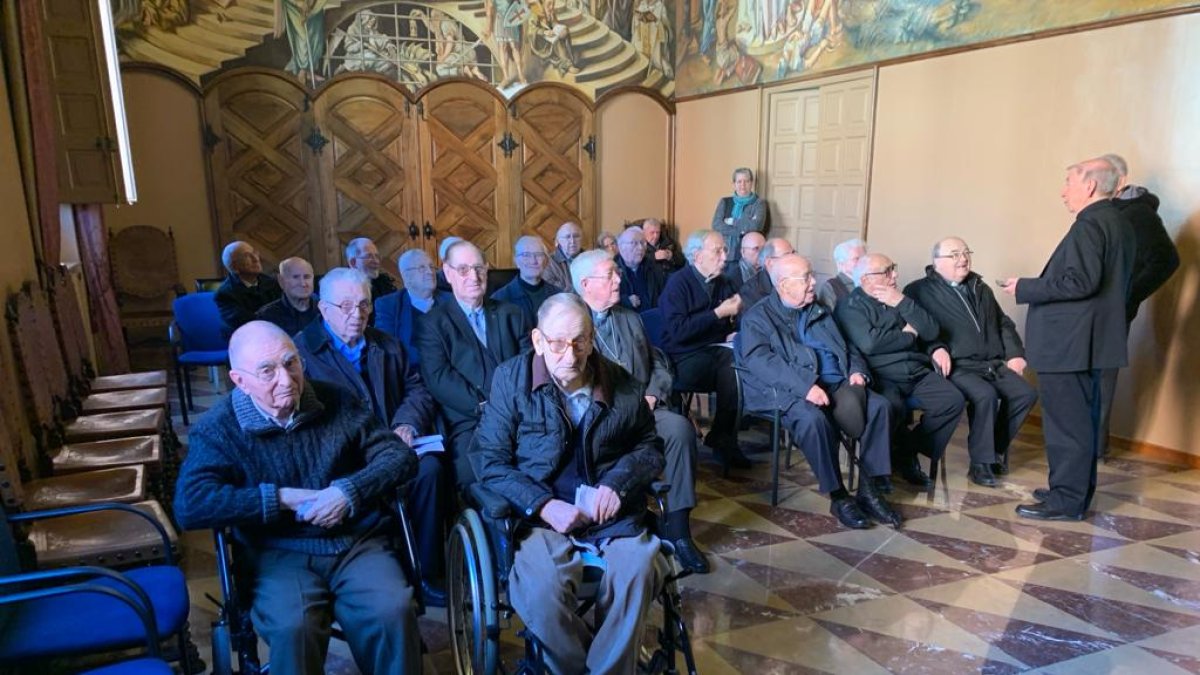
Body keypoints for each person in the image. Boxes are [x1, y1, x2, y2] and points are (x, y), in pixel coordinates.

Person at [174, 321, 420, 675]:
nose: (287, 380)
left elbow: (399, 457)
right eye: (267, 371)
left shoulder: (335, 399)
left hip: (354, 543)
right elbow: (191, 504)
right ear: (239, 381)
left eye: (291, 363)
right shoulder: (219, 428)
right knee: (295, 627)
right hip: (277, 551)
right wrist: (280, 499)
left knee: (392, 609)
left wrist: (348, 491)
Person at [472, 293, 666, 675]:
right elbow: (489, 460)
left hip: (611, 512)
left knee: (642, 567)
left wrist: (617, 484)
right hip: (541, 516)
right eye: (557, 343)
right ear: (538, 341)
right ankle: (582, 666)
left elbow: (650, 447)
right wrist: (543, 504)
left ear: (592, 339)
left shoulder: (621, 382)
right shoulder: (512, 380)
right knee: (541, 591)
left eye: (580, 341)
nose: (570, 353)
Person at [295, 268, 447, 607]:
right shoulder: (302, 354)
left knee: (431, 471)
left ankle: (424, 570)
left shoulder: (386, 344)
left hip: (396, 445)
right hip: (344, 457)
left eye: (364, 305)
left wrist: (406, 424)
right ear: (323, 309)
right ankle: (374, 570)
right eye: (346, 306)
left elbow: (416, 388)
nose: (357, 314)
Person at [1000, 157, 1135, 520]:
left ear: (1089, 186)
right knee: (1078, 423)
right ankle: (1069, 491)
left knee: (1067, 427)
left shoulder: (1090, 224)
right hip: (1088, 343)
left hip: (1069, 345)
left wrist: (1024, 287)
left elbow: (1080, 282)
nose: (1063, 192)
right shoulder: (1117, 222)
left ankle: (1067, 501)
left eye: (1068, 182)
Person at [737, 254, 901, 529]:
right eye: (806, 278)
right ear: (783, 285)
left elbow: (847, 346)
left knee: (881, 407)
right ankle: (839, 496)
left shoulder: (819, 309)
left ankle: (870, 490)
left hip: (836, 383)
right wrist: (805, 387)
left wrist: (856, 370)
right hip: (787, 390)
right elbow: (762, 362)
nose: (814, 282)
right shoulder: (758, 317)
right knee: (813, 420)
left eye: (811, 275)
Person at [573, 251, 707, 573]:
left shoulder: (629, 316)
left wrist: (652, 393)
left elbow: (658, 360)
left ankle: (679, 532)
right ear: (586, 284)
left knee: (679, 430)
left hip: (644, 412)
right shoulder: (572, 322)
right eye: (610, 275)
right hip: (599, 421)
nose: (619, 279)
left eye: (617, 272)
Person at [905, 238, 1037, 487]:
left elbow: (1002, 323)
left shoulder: (980, 287)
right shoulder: (918, 290)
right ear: (937, 262)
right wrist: (936, 348)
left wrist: (1015, 354)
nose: (963, 259)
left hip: (992, 362)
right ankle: (980, 463)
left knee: (1025, 394)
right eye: (954, 254)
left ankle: (992, 450)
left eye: (965, 253)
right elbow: (917, 330)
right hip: (957, 364)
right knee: (985, 395)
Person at [835, 253, 965, 488]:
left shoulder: (900, 298)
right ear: (866, 279)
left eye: (893, 268)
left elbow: (932, 330)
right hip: (883, 376)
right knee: (889, 409)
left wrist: (902, 303)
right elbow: (871, 344)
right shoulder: (849, 306)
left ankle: (906, 451)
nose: (894, 275)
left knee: (952, 400)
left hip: (916, 370)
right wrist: (909, 334)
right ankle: (878, 473)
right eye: (886, 271)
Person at [416, 240, 531, 486]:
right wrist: (486, 407)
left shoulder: (512, 314)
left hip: (520, 412)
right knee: (475, 476)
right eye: (463, 270)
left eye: (479, 268)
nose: (474, 276)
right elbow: (439, 379)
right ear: (448, 273)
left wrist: (514, 405)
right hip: (470, 421)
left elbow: (528, 364)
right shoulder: (433, 323)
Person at [1096, 153, 1180, 458]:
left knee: (1101, 382)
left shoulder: (1138, 214)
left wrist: (1127, 296)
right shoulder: (1104, 211)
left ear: (1118, 181)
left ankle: (1094, 451)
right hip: (1090, 312)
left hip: (1112, 313)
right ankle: (1083, 450)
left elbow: (1166, 260)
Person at [659, 230, 748, 469]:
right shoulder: (678, 283)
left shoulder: (724, 281)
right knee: (732, 365)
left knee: (739, 360)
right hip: (682, 358)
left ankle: (723, 436)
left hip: (715, 351)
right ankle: (723, 439)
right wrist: (718, 314)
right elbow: (678, 331)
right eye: (717, 251)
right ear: (697, 256)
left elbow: (738, 317)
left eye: (725, 251)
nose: (724, 257)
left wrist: (735, 327)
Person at [374, 249, 451, 368]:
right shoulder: (388, 305)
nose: (430, 272)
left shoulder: (451, 301)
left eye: (431, 267)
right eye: (422, 268)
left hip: (448, 371)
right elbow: (385, 348)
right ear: (407, 277)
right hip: (410, 375)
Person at [215, 241, 282, 340]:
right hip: (247, 342)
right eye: (247, 256)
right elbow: (249, 324)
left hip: (276, 337)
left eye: (254, 253)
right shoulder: (225, 294)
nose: (256, 259)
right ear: (234, 267)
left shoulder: (272, 283)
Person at [491, 235, 563, 327]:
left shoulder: (559, 296)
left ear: (546, 261)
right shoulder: (499, 300)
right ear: (516, 261)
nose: (533, 261)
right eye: (526, 255)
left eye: (538, 255)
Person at [710, 168, 769, 264]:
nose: (743, 185)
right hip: (725, 254)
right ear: (734, 184)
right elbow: (716, 225)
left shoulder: (759, 203)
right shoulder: (725, 202)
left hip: (749, 255)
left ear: (751, 183)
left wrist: (732, 221)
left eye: (747, 181)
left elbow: (756, 227)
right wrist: (742, 231)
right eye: (739, 181)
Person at [255, 257, 320, 335]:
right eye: (295, 277)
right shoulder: (266, 316)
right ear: (281, 281)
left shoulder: (324, 309)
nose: (303, 283)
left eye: (307, 277)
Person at [615, 226, 667, 310]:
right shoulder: (611, 271)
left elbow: (665, 294)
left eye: (643, 243)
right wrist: (625, 301)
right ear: (621, 247)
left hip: (653, 317)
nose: (640, 248)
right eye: (634, 243)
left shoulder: (654, 266)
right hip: (628, 320)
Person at [737, 236, 793, 308]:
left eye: (793, 253)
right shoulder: (750, 291)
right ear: (769, 262)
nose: (794, 259)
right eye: (787, 256)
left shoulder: (796, 279)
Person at [817, 238, 866, 310]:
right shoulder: (830, 287)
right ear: (841, 263)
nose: (863, 262)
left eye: (865, 258)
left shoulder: (869, 281)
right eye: (857, 258)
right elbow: (827, 319)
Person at [345, 237, 397, 303]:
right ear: (353, 263)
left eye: (377, 256)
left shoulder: (385, 284)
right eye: (368, 257)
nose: (376, 261)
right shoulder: (343, 290)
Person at [543, 221, 584, 291]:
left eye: (576, 236)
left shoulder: (591, 259)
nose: (572, 241)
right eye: (567, 237)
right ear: (558, 241)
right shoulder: (548, 262)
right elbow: (552, 289)